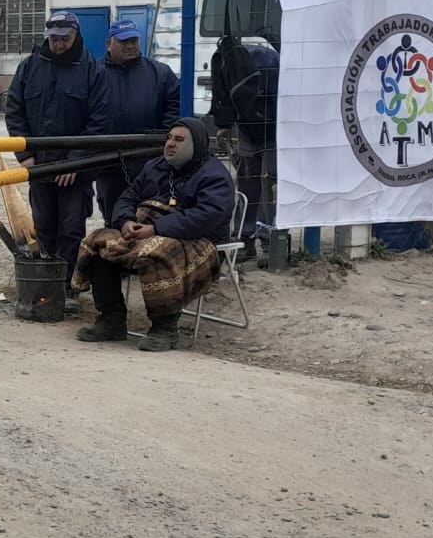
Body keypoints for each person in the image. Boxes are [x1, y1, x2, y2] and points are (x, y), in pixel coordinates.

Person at [71, 117, 234, 352]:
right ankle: (111, 320)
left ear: (196, 144)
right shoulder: (155, 166)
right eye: (169, 138)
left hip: (197, 240)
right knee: (100, 243)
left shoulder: (214, 176)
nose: (170, 144)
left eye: (179, 140)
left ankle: (165, 329)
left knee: (157, 255)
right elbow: (128, 196)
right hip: (147, 232)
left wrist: (157, 229)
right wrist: (126, 221)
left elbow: (205, 217)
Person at [5, 10, 109, 311]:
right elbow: (15, 111)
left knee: (71, 226)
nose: (58, 44)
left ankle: (68, 285)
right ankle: (46, 280)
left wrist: (75, 161)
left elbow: (99, 121)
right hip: (39, 166)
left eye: (64, 38)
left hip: (75, 170)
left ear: (76, 36)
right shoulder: (30, 68)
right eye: (53, 38)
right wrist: (25, 156)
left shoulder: (92, 70)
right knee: (45, 223)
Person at [94, 19, 180, 228]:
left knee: (151, 214)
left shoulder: (160, 73)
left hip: (150, 161)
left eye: (134, 40)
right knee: (114, 217)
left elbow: (174, 108)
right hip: (109, 162)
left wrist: (161, 139)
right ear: (109, 44)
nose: (130, 46)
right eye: (124, 42)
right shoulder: (93, 74)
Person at [211, 29, 280, 261]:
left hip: (274, 125)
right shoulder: (222, 62)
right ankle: (245, 239)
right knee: (248, 183)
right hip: (248, 126)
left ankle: (270, 242)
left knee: (268, 183)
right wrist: (225, 124)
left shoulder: (270, 64)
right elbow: (221, 97)